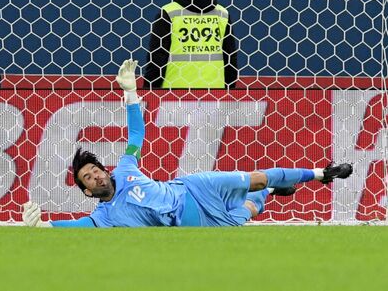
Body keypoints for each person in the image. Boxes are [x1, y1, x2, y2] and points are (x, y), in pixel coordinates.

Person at [22, 60, 353, 227]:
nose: (94, 176)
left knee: (256, 176)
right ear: (88, 193)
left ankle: (321, 173)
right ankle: (267, 195)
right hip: (194, 224)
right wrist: (43, 226)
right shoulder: (104, 217)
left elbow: (136, 135)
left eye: (94, 170)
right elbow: (74, 226)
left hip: (193, 188)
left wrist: (130, 91)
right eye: (88, 179)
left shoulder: (125, 168)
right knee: (247, 209)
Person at [142, 0, 238, 89]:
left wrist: (148, 91)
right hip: (214, 95)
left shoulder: (168, 13)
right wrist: (229, 94)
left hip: (174, 97)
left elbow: (157, 60)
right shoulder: (222, 14)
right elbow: (231, 61)